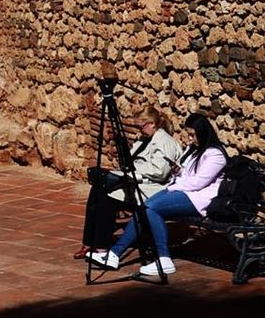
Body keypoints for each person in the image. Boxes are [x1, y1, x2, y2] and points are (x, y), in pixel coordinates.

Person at [89, 111, 227, 279]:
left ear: (203, 132)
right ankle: (114, 255)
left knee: (150, 208)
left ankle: (163, 259)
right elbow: (187, 174)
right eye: (189, 135)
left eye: (193, 135)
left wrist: (172, 187)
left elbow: (198, 182)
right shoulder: (194, 150)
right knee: (144, 208)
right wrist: (178, 172)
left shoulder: (215, 154)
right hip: (183, 190)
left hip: (199, 198)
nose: (190, 139)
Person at [74, 106, 183, 257]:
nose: (139, 130)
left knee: (106, 195)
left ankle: (100, 246)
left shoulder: (165, 142)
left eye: (141, 126)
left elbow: (160, 172)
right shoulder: (145, 140)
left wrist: (132, 172)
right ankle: (89, 241)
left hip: (154, 187)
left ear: (152, 123)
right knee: (98, 188)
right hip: (138, 181)